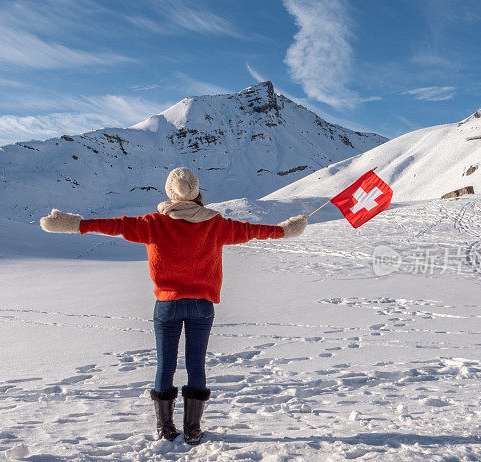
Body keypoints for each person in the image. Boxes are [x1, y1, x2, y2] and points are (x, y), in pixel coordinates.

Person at [40, 167, 307, 445]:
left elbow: (114, 225)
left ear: (170, 192)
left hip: (167, 303)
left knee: (165, 365)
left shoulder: (153, 223)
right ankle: (192, 429)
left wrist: (76, 224)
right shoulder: (216, 224)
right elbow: (253, 231)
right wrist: (285, 231)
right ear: (196, 192)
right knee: (196, 365)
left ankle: (165, 428)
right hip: (202, 304)